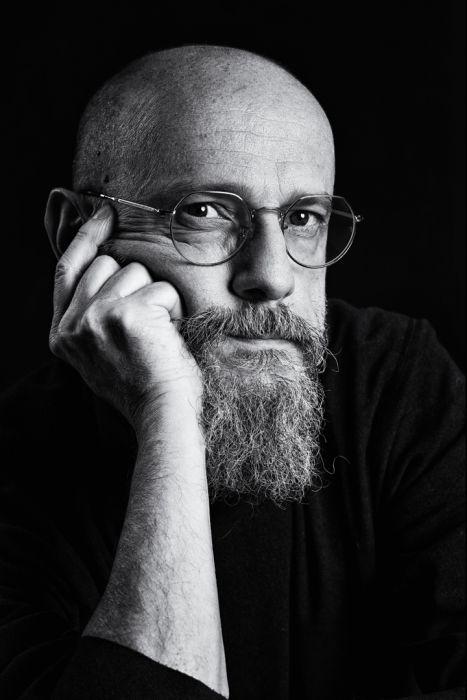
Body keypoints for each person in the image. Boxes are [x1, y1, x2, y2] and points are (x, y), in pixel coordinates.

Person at [0, 44, 464, 700]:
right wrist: (167, 411)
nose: (272, 277)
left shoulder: (394, 382)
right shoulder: (14, 471)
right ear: (78, 230)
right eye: (204, 212)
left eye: (302, 219)